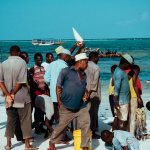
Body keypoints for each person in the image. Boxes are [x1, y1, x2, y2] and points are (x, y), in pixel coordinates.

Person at [48, 53, 90, 150]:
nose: (87, 65)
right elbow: (58, 86)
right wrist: (59, 101)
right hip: (66, 106)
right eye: (86, 62)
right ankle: (52, 142)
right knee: (61, 126)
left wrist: (86, 93)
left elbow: (83, 87)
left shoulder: (84, 74)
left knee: (86, 123)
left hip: (81, 106)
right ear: (80, 62)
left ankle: (85, 146)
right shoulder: (65, 71)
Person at [0, 45, 34, 149]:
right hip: (22, 97)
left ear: (10, 53)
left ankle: (8, 144)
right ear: (18, 53)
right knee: (25, 120)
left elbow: (0, 82)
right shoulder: (22, 63)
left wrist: (8, 95)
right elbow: (21, 81)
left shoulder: (3, 63)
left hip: (9, 99)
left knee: (10, 120)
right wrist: (13, 93)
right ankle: (27, 145)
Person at [44, 49, 71, 125]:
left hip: (53, 93)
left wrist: (51, 85)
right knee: (62, 115)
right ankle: (62, 134)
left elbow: (46, 78)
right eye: (69, 57)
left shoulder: (52, 64)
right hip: (61, 93)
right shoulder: (65, 66)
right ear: (65, 57)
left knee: (56, 113)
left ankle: (58, 132)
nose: (69, 59)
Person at [29, 53, 49, 134]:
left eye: (40, 59)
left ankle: (40, 127)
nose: (39, 60)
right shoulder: (32, 69)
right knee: (37, 111)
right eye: (38, 59)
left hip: (44, 92)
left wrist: (47, 90)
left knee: (43, 110)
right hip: (37, 92)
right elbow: (30, 82)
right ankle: (37, 128)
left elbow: (45, 79)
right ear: (34, 60)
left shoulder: (43, 68)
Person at [113, 54, 133, 131]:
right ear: (125, 63)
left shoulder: (118, 70)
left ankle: (116, 136)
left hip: (121, 101)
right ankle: (122, 139)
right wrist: (115, 101)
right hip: (122, 102)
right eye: (129, 65)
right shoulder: (119, 73)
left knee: (118, 119)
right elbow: (116, 88)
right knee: (122, 122)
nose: (129, 67)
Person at [85, 51, 101, 139]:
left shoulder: (85, 65)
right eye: (97, 57)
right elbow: (94, 83)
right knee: (94, 113)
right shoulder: (96, 67)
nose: (98, 59)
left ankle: (87, 130)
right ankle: (93, 131)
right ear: (95, 57)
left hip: (85, 92)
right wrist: (90, 93)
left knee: (86, 112)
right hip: (93, 93)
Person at [128, 65, 143, 134]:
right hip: (134, 97)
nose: (138, 73)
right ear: (135, 71)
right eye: (138, 72)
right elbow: (135, 86)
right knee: (133, 116)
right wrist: (139, 97)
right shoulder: (134, 75)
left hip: (128, 97)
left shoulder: (128, 76)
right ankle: (131, 133)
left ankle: (129, 131)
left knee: (130, 115)